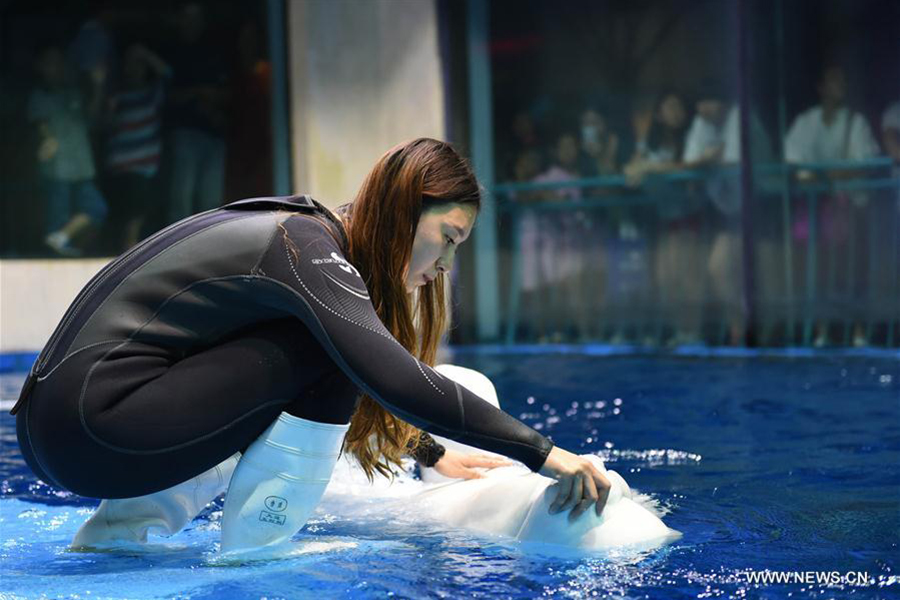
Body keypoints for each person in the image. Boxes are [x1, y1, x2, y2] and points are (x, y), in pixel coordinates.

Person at [11, 138, 611, 553]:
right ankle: (258, 557)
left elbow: (226, 383)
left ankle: (117, 539)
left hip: (60, 430)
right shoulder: (306, 246)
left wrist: (426, 451)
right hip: (93, 426)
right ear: (404, 211)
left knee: (324, 343)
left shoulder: (303, 239)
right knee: (328, 349)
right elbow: (390, 374)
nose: (447, 265)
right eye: (448, 238)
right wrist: (544, 453)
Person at [28, 44, 108, 256]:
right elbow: (40, 125)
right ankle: (56, 246)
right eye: (50, 62)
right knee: (57, 217)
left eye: (59, 61)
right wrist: (47, 140)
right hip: (57, 168)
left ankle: (61, 238)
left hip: (82, 166)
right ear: (40, 66)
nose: (57, 67)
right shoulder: (39, 96)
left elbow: (92, 117)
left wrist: (98, 85)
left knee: (97, 208)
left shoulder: (74, 94)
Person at [103, 43, 171, 251]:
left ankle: (129, 251)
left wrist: (145, 54)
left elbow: (169, 75)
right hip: (118, 171)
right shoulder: (117, 98)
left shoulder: (152, 95)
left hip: (142, 171)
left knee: (136, 216)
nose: (134, 69)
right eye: (129, 65)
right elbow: (104, 125)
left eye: (138, 65)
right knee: (120, 217)